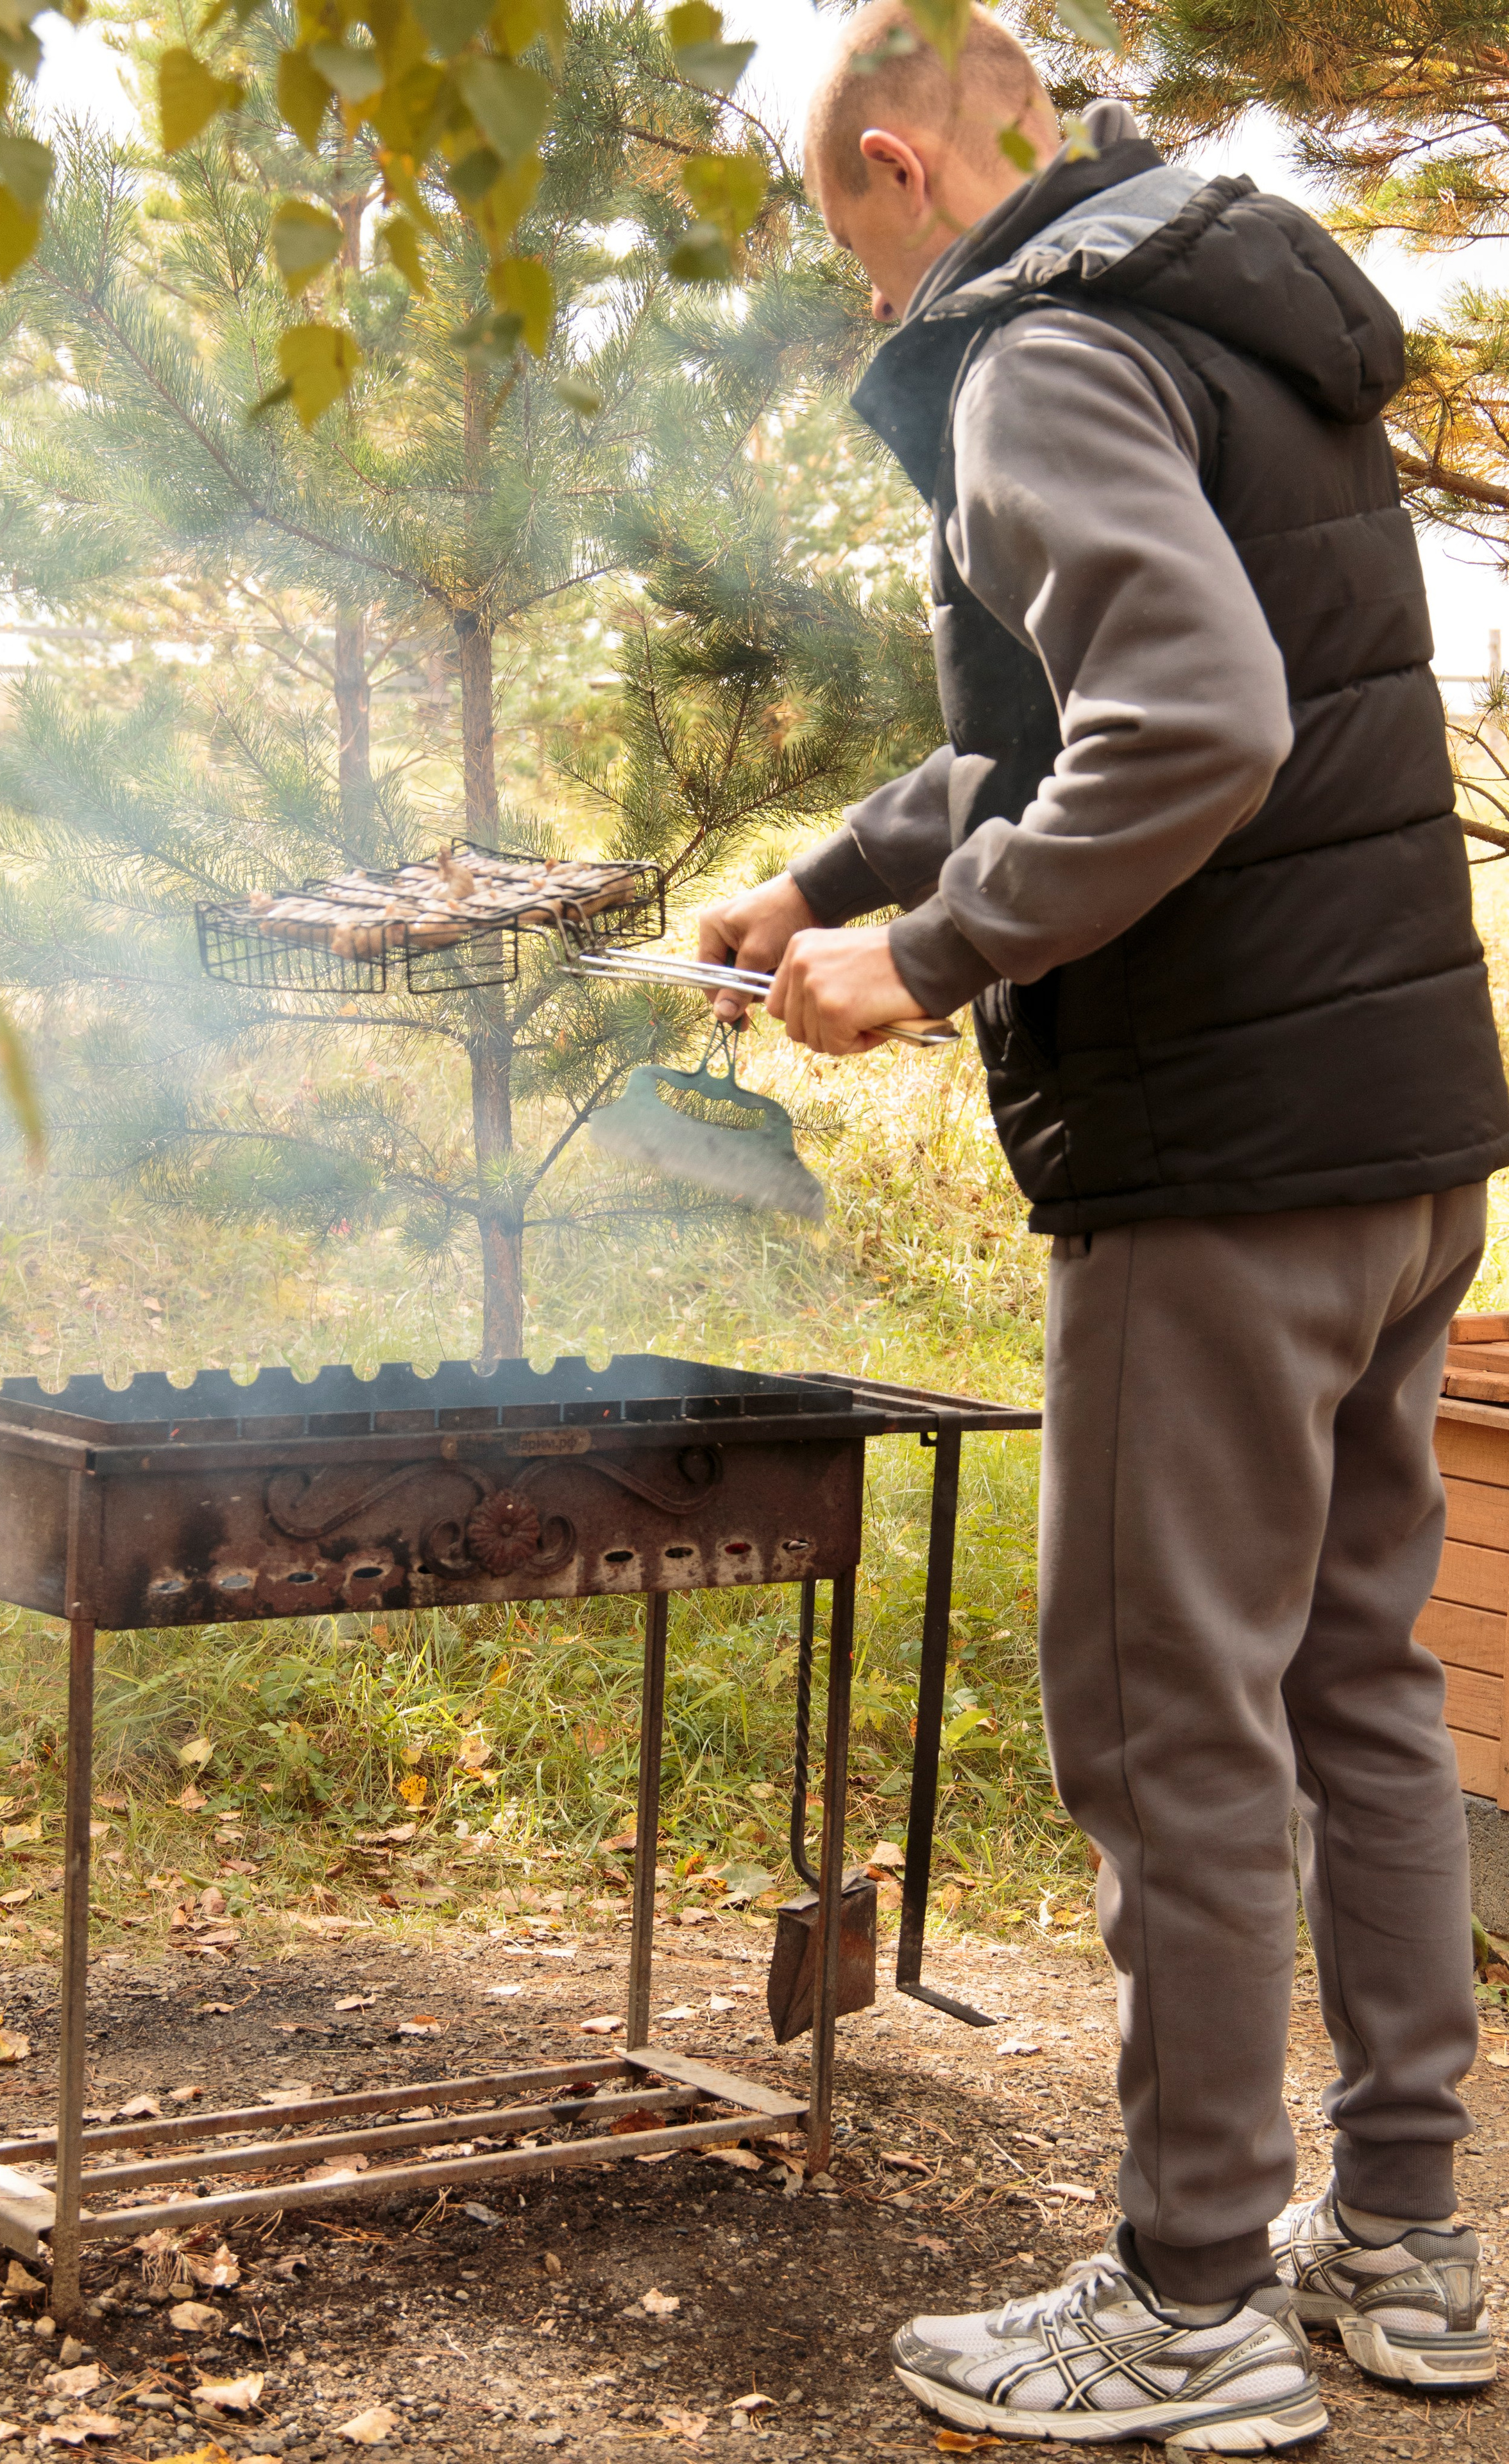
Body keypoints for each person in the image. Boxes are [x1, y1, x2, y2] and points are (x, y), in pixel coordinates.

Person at [697, 3, 1509, 2447]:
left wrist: (927, 959)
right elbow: (1056, 728)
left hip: (1218, 1160)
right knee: (1355, 1682)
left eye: (828, 223)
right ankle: (1402, 2246)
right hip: (1399, 1134)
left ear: (889, 157)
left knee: (1165, 1722)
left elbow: (1191, 725)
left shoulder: (1030, 357)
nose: (845, 282)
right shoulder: (1225, 313)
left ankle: (1183, 2308)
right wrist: (831, 876)